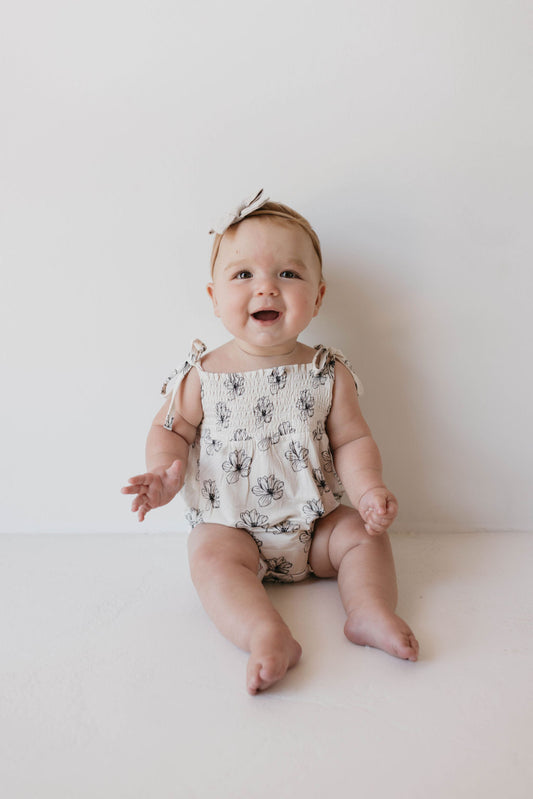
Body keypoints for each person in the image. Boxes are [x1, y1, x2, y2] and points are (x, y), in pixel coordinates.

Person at [122, 190, 419, 694]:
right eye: (244, 275)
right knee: (208, 556)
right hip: (233, 530)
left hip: (317, 526)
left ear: (318, 296)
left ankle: (368, 611)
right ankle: (265, 633)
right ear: (214, 298)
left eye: (288, 274)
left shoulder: (327, 371)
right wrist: (165, 472)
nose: (267, 289)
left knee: (362, 537)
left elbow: (351, 440)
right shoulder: (203, 374)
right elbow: (170, 429)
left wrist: (368, 490)